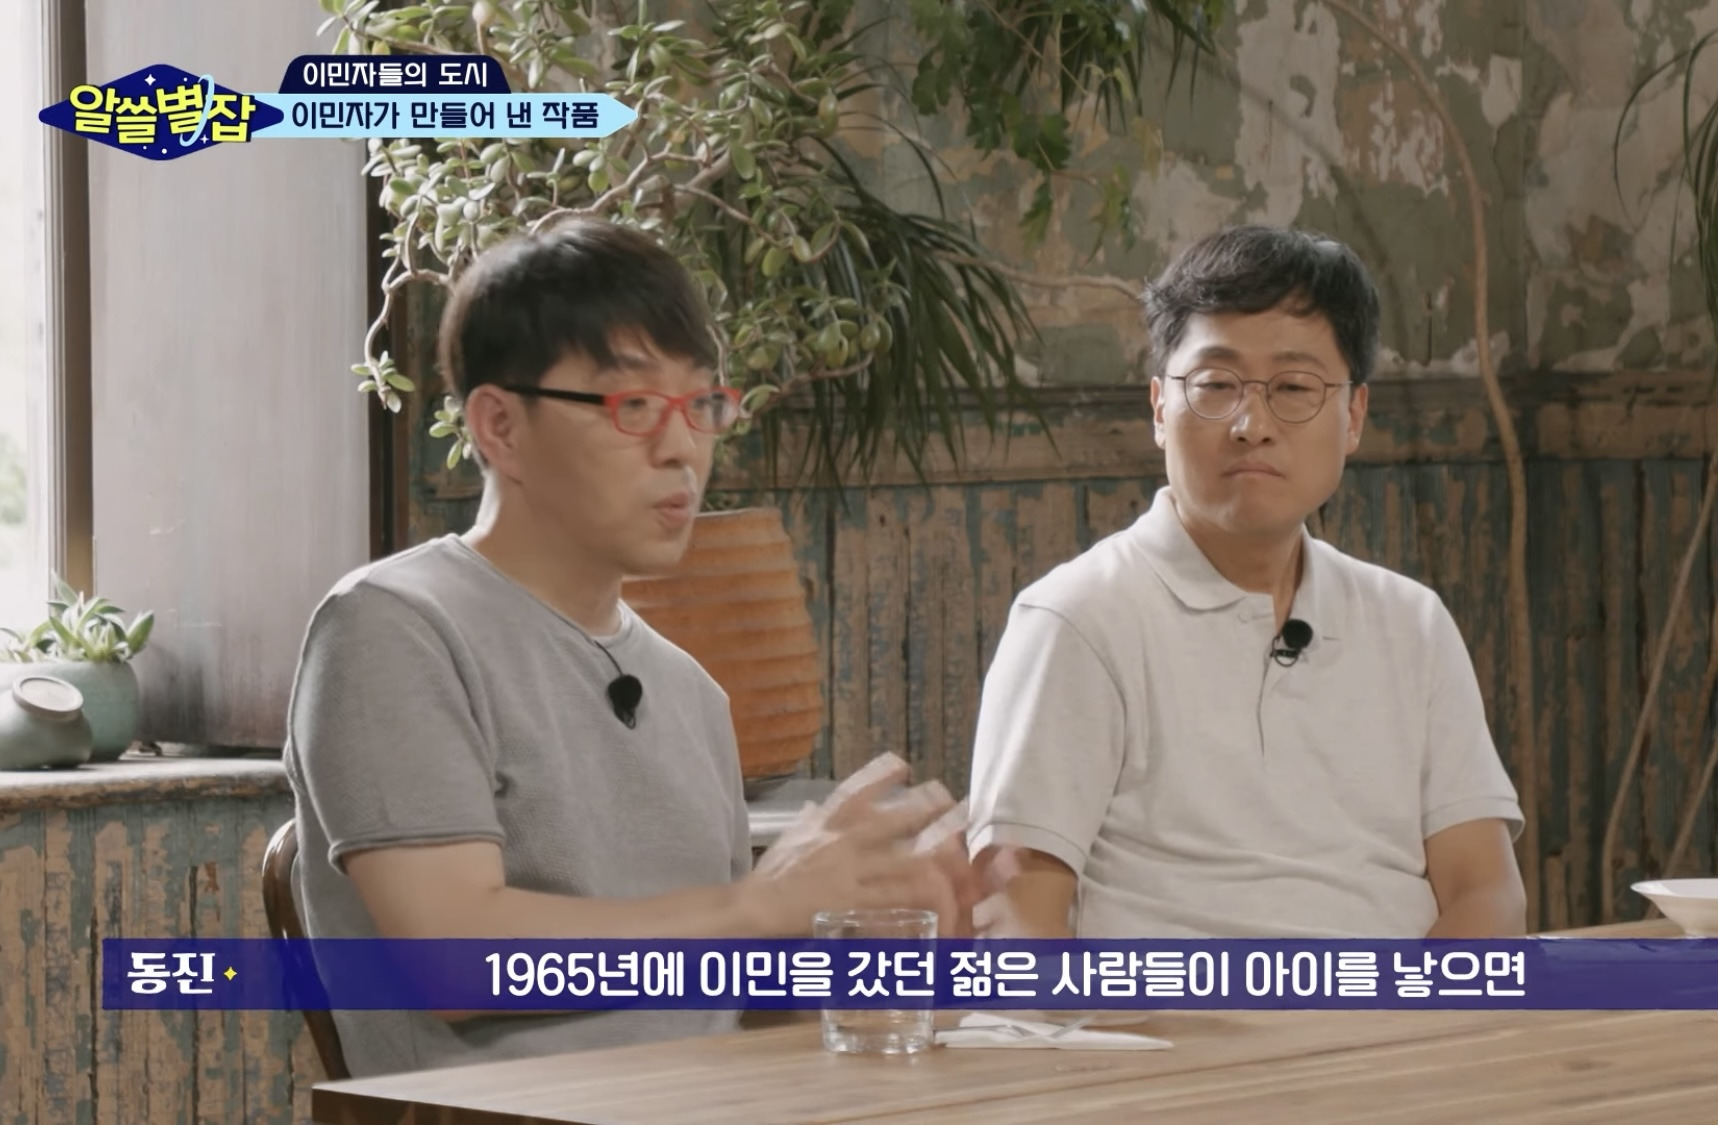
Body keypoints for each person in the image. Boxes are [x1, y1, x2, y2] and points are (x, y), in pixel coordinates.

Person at [283, 218, 974, 1078]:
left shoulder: (690, 691)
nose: (682, 447)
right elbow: (455, 959)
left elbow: (722, 1000)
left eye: (701, 405)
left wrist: (890, 961)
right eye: (634, 406)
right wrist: (758, 905)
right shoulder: (392, 628)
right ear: (500, 425)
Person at [966, 225, 1527, 941]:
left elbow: (1486, 892)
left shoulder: (1412, 623)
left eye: (1293, 387)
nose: (1251, 424)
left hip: (1397, 1009)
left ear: (1354, 415)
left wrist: (1409, 1011)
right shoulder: (1075, 622)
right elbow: (1019, 925)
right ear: (1159, 408)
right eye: (1215, 386)